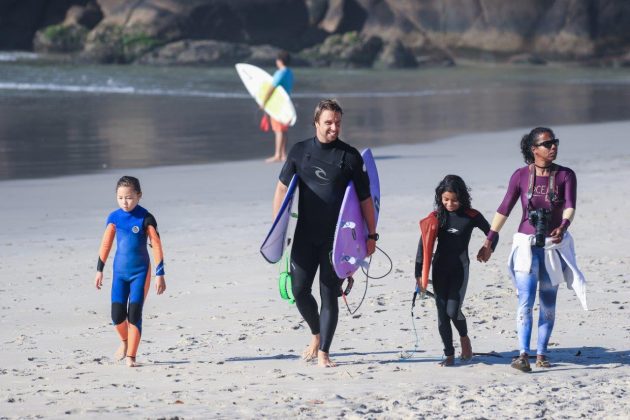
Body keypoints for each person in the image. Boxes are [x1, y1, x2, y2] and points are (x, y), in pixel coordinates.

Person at [271, 99, 377, 367]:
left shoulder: (349, 157)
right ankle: (316, 334)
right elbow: (282, 188)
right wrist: (277, 228)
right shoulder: (299, 151)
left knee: (329, 294)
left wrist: (371, 235)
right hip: (305, 233)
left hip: (336, 239)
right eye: (328, 122)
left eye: (338, 123)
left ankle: (324, 353)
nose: (334, 127)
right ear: (316, 122)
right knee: (299, 290)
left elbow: (366, 199)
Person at [478, 127, 587, 373]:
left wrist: (563, 225)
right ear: (533, 149)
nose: (553, 147)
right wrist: (489, 240)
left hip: (552, 246)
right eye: (547, 143)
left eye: (555, 142)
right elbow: (504, 207)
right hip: (526, 246)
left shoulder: (566, 175)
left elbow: (570, 205)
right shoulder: (519, 176)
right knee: (525, 300)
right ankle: (523, 353)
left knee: (548, 302)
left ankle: (542, 353)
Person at [415, 175, 497, 366]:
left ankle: (464, 338)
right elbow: (423, 247)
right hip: (439, 269)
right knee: (442, 314)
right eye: (445, 200)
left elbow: (493, 233)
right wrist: (419, 274)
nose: (450, 204)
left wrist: (487, 248)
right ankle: (449, 354)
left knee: (453, 311)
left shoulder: (471, 216)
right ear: (440, 198)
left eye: (454, 200)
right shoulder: (436, 217)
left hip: (460, 268)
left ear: (462, 197)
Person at [94, 176, 167, 367]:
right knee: (117, 315)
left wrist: (160, 274)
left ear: (139, 196)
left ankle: (131, 357)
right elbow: (106, 244)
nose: (124, 202)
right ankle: (125, 342)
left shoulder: (146, 218)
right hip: (119, 273)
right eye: (120, 198)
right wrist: (99, 270)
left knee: (134, 313)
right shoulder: (114, 218)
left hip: (140, 273)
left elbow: (157, 246)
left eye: (129, 197)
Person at [261, 50, 294, 163]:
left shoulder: (280, 73)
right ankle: (284, 154)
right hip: (287, 103)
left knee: (278, 129)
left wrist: (264, 102)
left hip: (278, 105)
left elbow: (271, 88)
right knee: (284, 129)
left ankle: (277, 155)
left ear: (279, 61)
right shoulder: (290, 72)